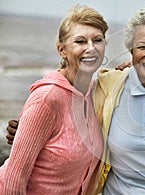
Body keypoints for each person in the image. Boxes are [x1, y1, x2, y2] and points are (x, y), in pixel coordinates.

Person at [6, 6, 145, 194]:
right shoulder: (108, 87)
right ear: (131, 51)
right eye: (142, 47)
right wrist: (29, 132)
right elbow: (61, 104)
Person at [0, 4, 108, 194]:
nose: (91, 48)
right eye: (80, 41)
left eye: (97, 40)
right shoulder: (48, 99)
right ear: (62, 50)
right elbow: (13, 180)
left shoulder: (95, 93)